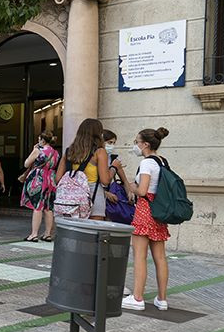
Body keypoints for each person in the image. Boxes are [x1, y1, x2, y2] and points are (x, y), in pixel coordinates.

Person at [122, 127, 172, 311]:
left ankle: (137, 298)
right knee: (160, 257)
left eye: (137, 142)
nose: (135, 145)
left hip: (144, 210)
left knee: (140, 257)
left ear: (145, 144)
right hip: (158, 211)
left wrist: (129, 186)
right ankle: (162, 299)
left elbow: (142, 190)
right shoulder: (162, 161)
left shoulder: (146, 164)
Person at [56, 118, 110, 220]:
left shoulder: (69, 151)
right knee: (93, 230)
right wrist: (114, 169)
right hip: (93, 194)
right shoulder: (99, 152)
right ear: (98, 134)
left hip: (71, 200)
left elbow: (58, 179)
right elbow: (105, 180)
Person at [20, 131, 59, 241]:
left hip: (39, 179)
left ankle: (34, 234)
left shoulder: (38, 150)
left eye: (39, 139)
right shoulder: (56, 152)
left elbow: (26, 163)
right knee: (48, 208)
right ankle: (47, 234)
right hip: (51, 179)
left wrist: (33, 150)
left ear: (42, 140)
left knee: (37, 206)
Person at [102, 129, 137, 211]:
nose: (112, 146)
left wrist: (129, 193)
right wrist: (105, 194)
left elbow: (124, 180)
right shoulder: (94, 158)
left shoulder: (114, 159)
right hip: (97, 194)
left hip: (111, 194)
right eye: (110, 142)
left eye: (114, 143)